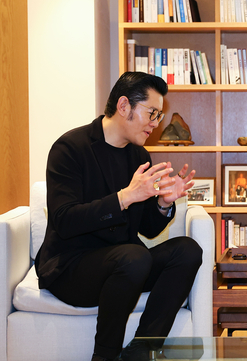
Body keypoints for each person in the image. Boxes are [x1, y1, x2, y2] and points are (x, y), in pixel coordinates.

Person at [34, 72, 204, 361]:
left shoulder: (139, 157)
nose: (156, 123)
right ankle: (105, 356)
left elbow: (148, 230)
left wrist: (163, 203)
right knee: (133, 257)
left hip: (126, 267)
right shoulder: (70, 148)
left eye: (159, 116)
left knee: (188, 250)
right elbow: (64, 221)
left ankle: (142, 350)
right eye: (152, 113)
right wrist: (124, 197)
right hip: (72, 268)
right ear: (124, 106)